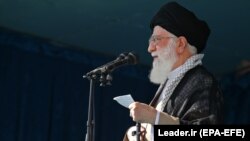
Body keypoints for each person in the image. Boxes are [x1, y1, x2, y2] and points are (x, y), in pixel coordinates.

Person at [123, 1, 223, 141]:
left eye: (156, 39)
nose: (150, 48)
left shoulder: (202, 81)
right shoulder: (171, 82)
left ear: (180, 44)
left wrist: (155, 118)